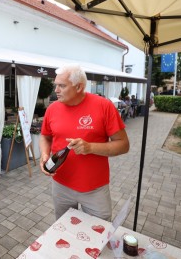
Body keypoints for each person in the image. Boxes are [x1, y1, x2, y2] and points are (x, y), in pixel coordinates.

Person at [39, 65, 129, 221]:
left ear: (79, 86)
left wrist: (90, 147)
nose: (56, 90)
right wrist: (45, 154)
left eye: (62, 86)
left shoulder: (104, 106)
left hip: (94, 188)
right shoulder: (52, 109)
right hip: (61, 185)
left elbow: (123, 145)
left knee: (98, 233)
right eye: (56, 85)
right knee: (64, 230)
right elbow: (45, 136)